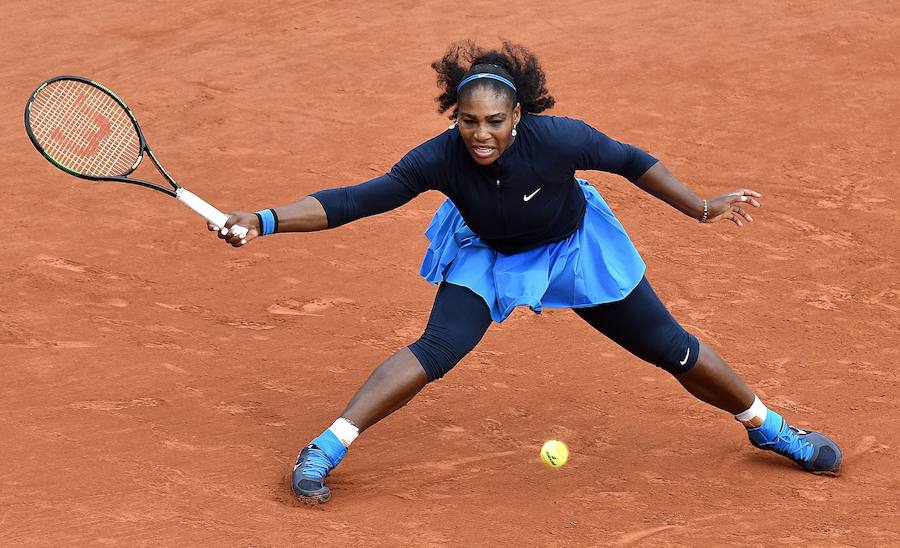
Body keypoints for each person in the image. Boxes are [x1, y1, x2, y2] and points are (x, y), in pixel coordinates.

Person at [211, 41, 842, 504]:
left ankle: (773, 430)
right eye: (467, 122)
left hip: (573, 250)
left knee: (672, 348)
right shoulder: (438, 158)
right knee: (436, 348)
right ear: (453, 118)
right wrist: (264, 219)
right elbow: (355, 199)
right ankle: (326, 447)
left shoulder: (561, 139)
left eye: (494, 122)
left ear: (519, 117)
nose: (480, 135)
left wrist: (702, 207)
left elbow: (630, 160)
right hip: (487, 255)